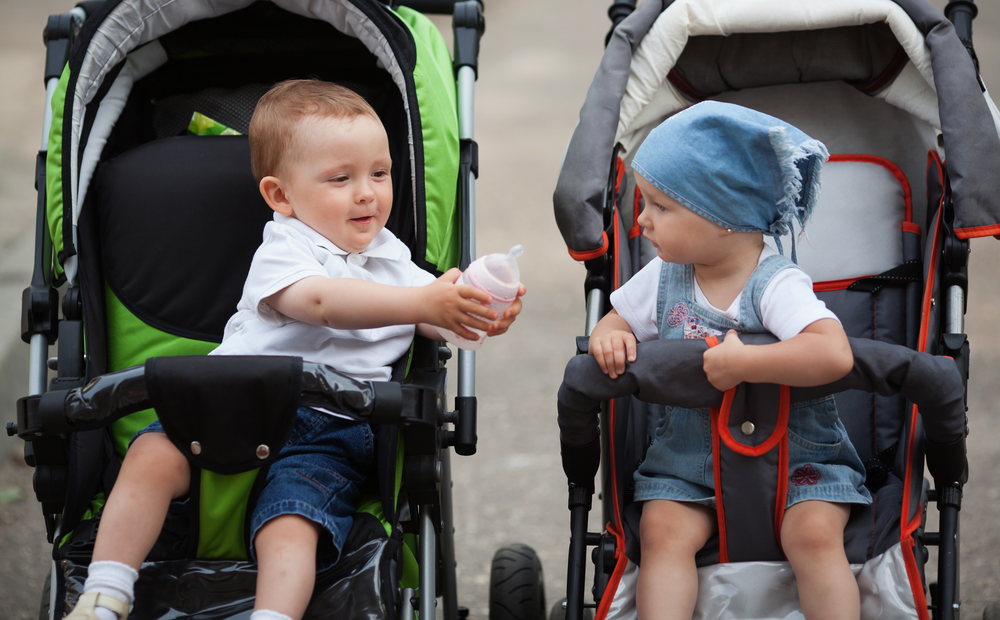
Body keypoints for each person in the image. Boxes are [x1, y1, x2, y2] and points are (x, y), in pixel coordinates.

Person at [67, 79, 525, 620]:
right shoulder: (285, 247)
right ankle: (106, 591)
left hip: (332, 426)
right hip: (223, 404)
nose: (367, 192)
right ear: (281, 196)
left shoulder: (396, 262)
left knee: (293, 521)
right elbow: (321, 301)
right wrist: (421, 300)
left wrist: (471, 315)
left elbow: (431, 326)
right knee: (148, 457)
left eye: (380, 173)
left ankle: (273, 615)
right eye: (341, 178)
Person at [586, 101, 870, 620]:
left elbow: (832, 351)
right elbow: (618, 319)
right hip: (688, 463)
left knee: (812, 536)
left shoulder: (776, 283)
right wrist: (608, 336)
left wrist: (747, 365)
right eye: (643, 204)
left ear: (725, 219)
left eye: (660, 207)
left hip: (800, 462)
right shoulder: (663, 276)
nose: (642, 221)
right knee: (662, 532)